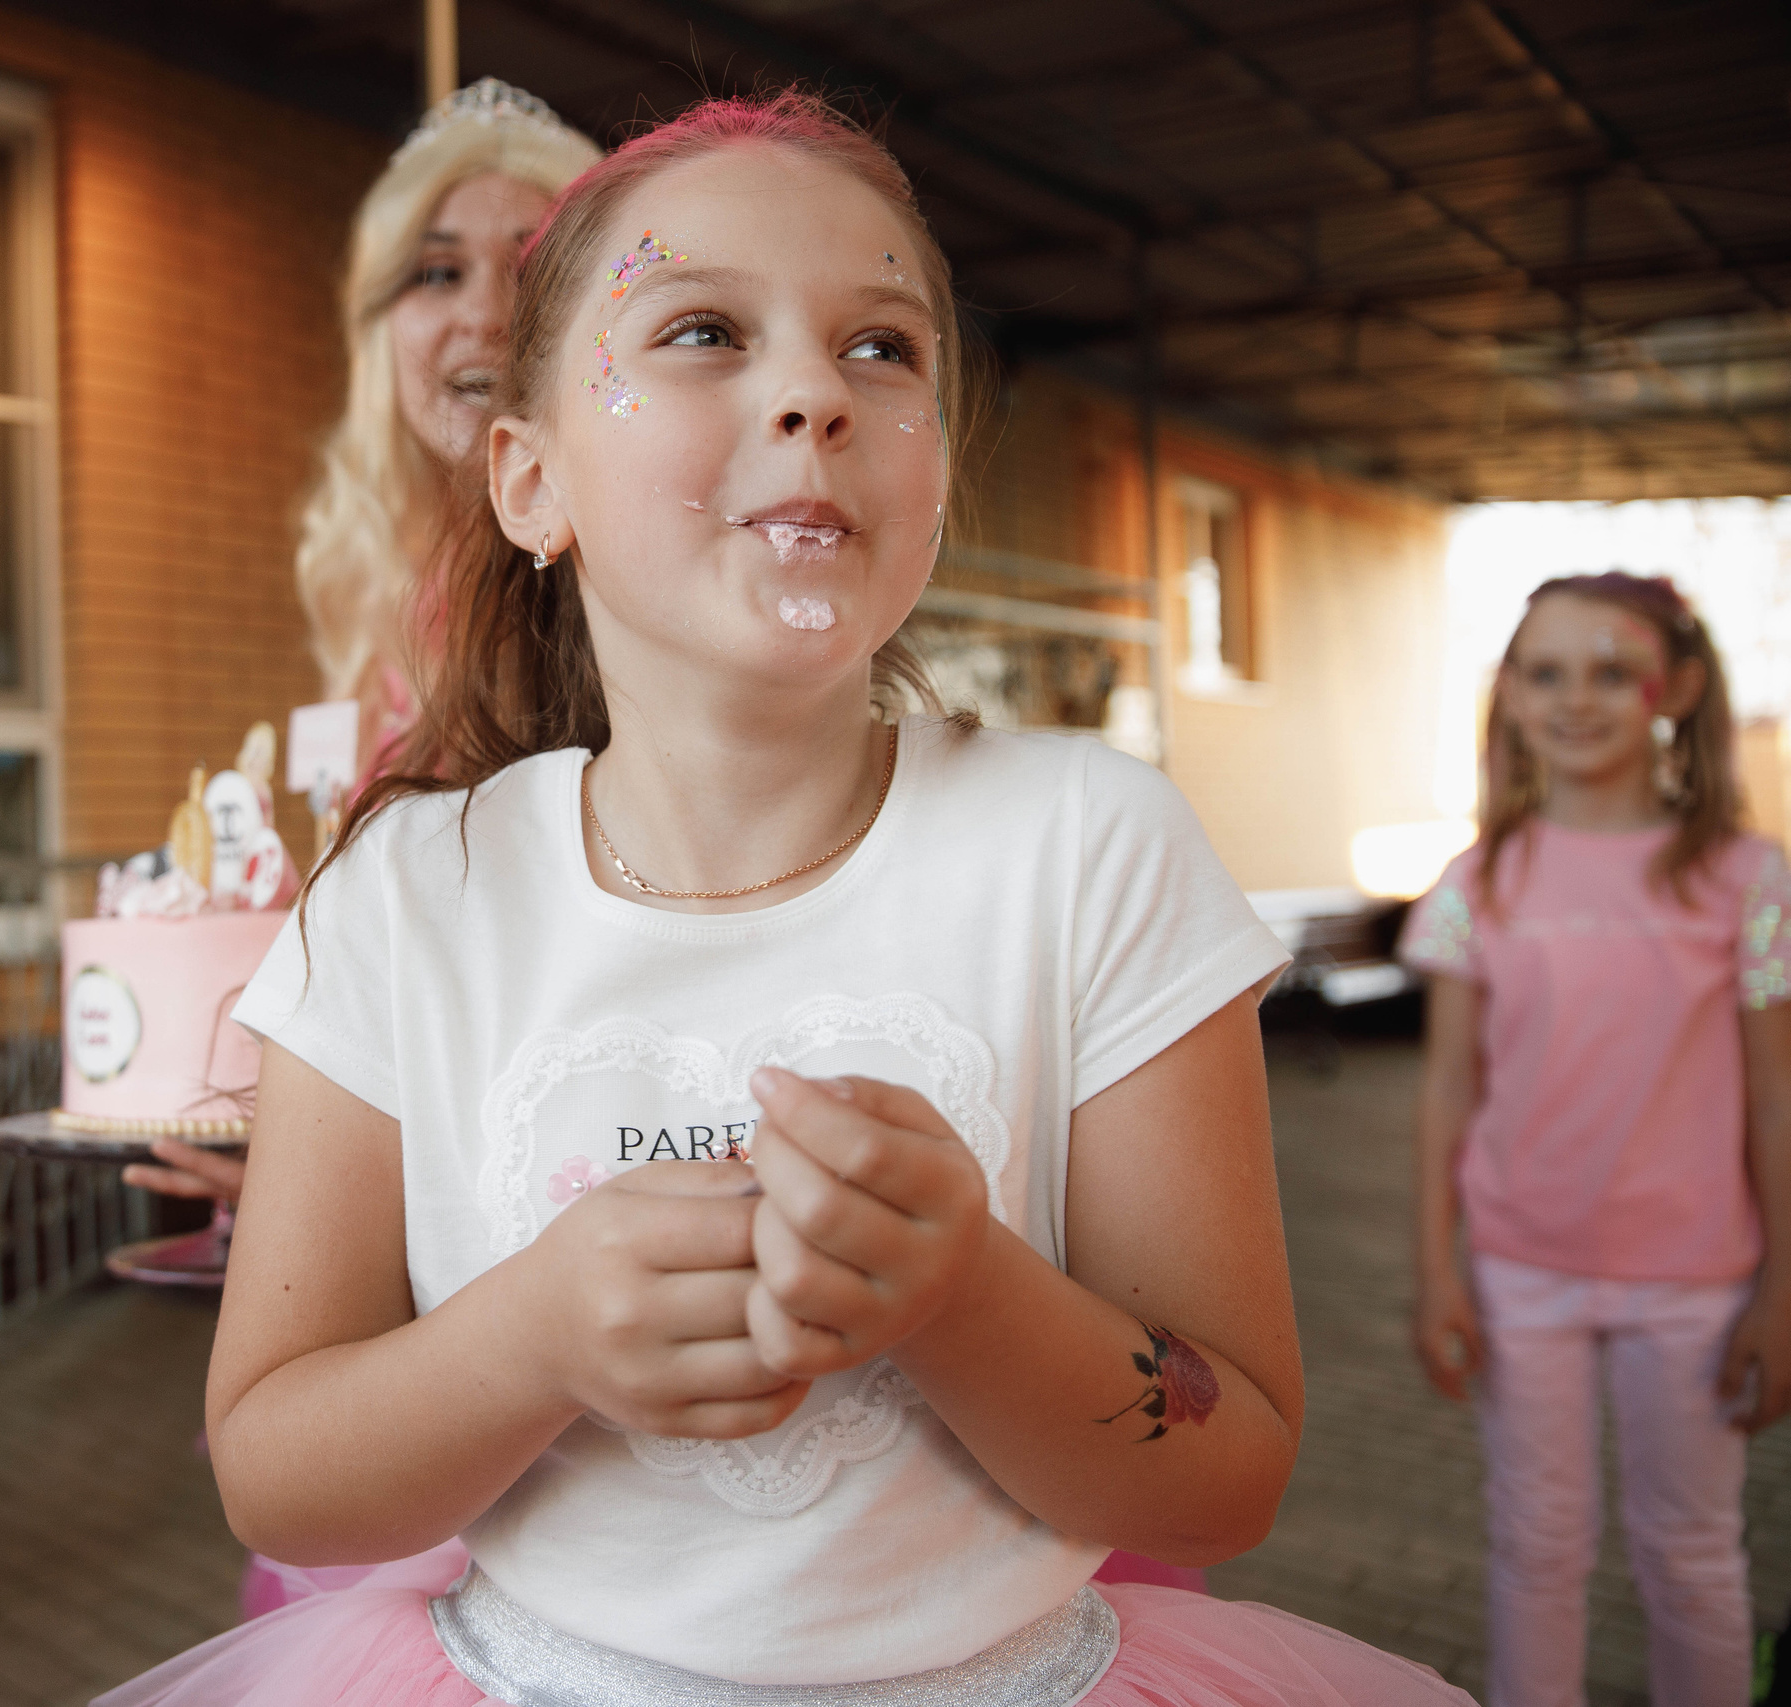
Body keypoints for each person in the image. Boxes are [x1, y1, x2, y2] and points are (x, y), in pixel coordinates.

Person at [96, 93, 1473, 1705]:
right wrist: (529, 1340)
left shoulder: (1092, 849)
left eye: (884, 349)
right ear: (531, 480)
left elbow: (1226, 1474)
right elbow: (277, 1472)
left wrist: (967, 1298)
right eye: (701, 330)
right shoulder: (405, 901)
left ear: (940, 475)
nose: (817, 390)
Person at [121, 78, 600, 1218]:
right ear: (378, 326)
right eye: (434, 272)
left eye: (530, 267)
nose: (483, 313)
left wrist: (316, 1158)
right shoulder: (398, 580)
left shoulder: (610, 583)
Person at [1403, 572, 1788, 1707]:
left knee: (1691, 1556)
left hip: (1697, 1286)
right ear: (1509, 698)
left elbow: (1776, 1098)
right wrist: (1438, 1274)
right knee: (1536, 1549)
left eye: (1610, 672)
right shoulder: (1476, 886)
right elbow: (1442, 1096)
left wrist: (1782, 1287)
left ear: (1671, 690)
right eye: (1544, 672)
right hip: (1522, 1278)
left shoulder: (1748, 881)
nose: (1575, 699)